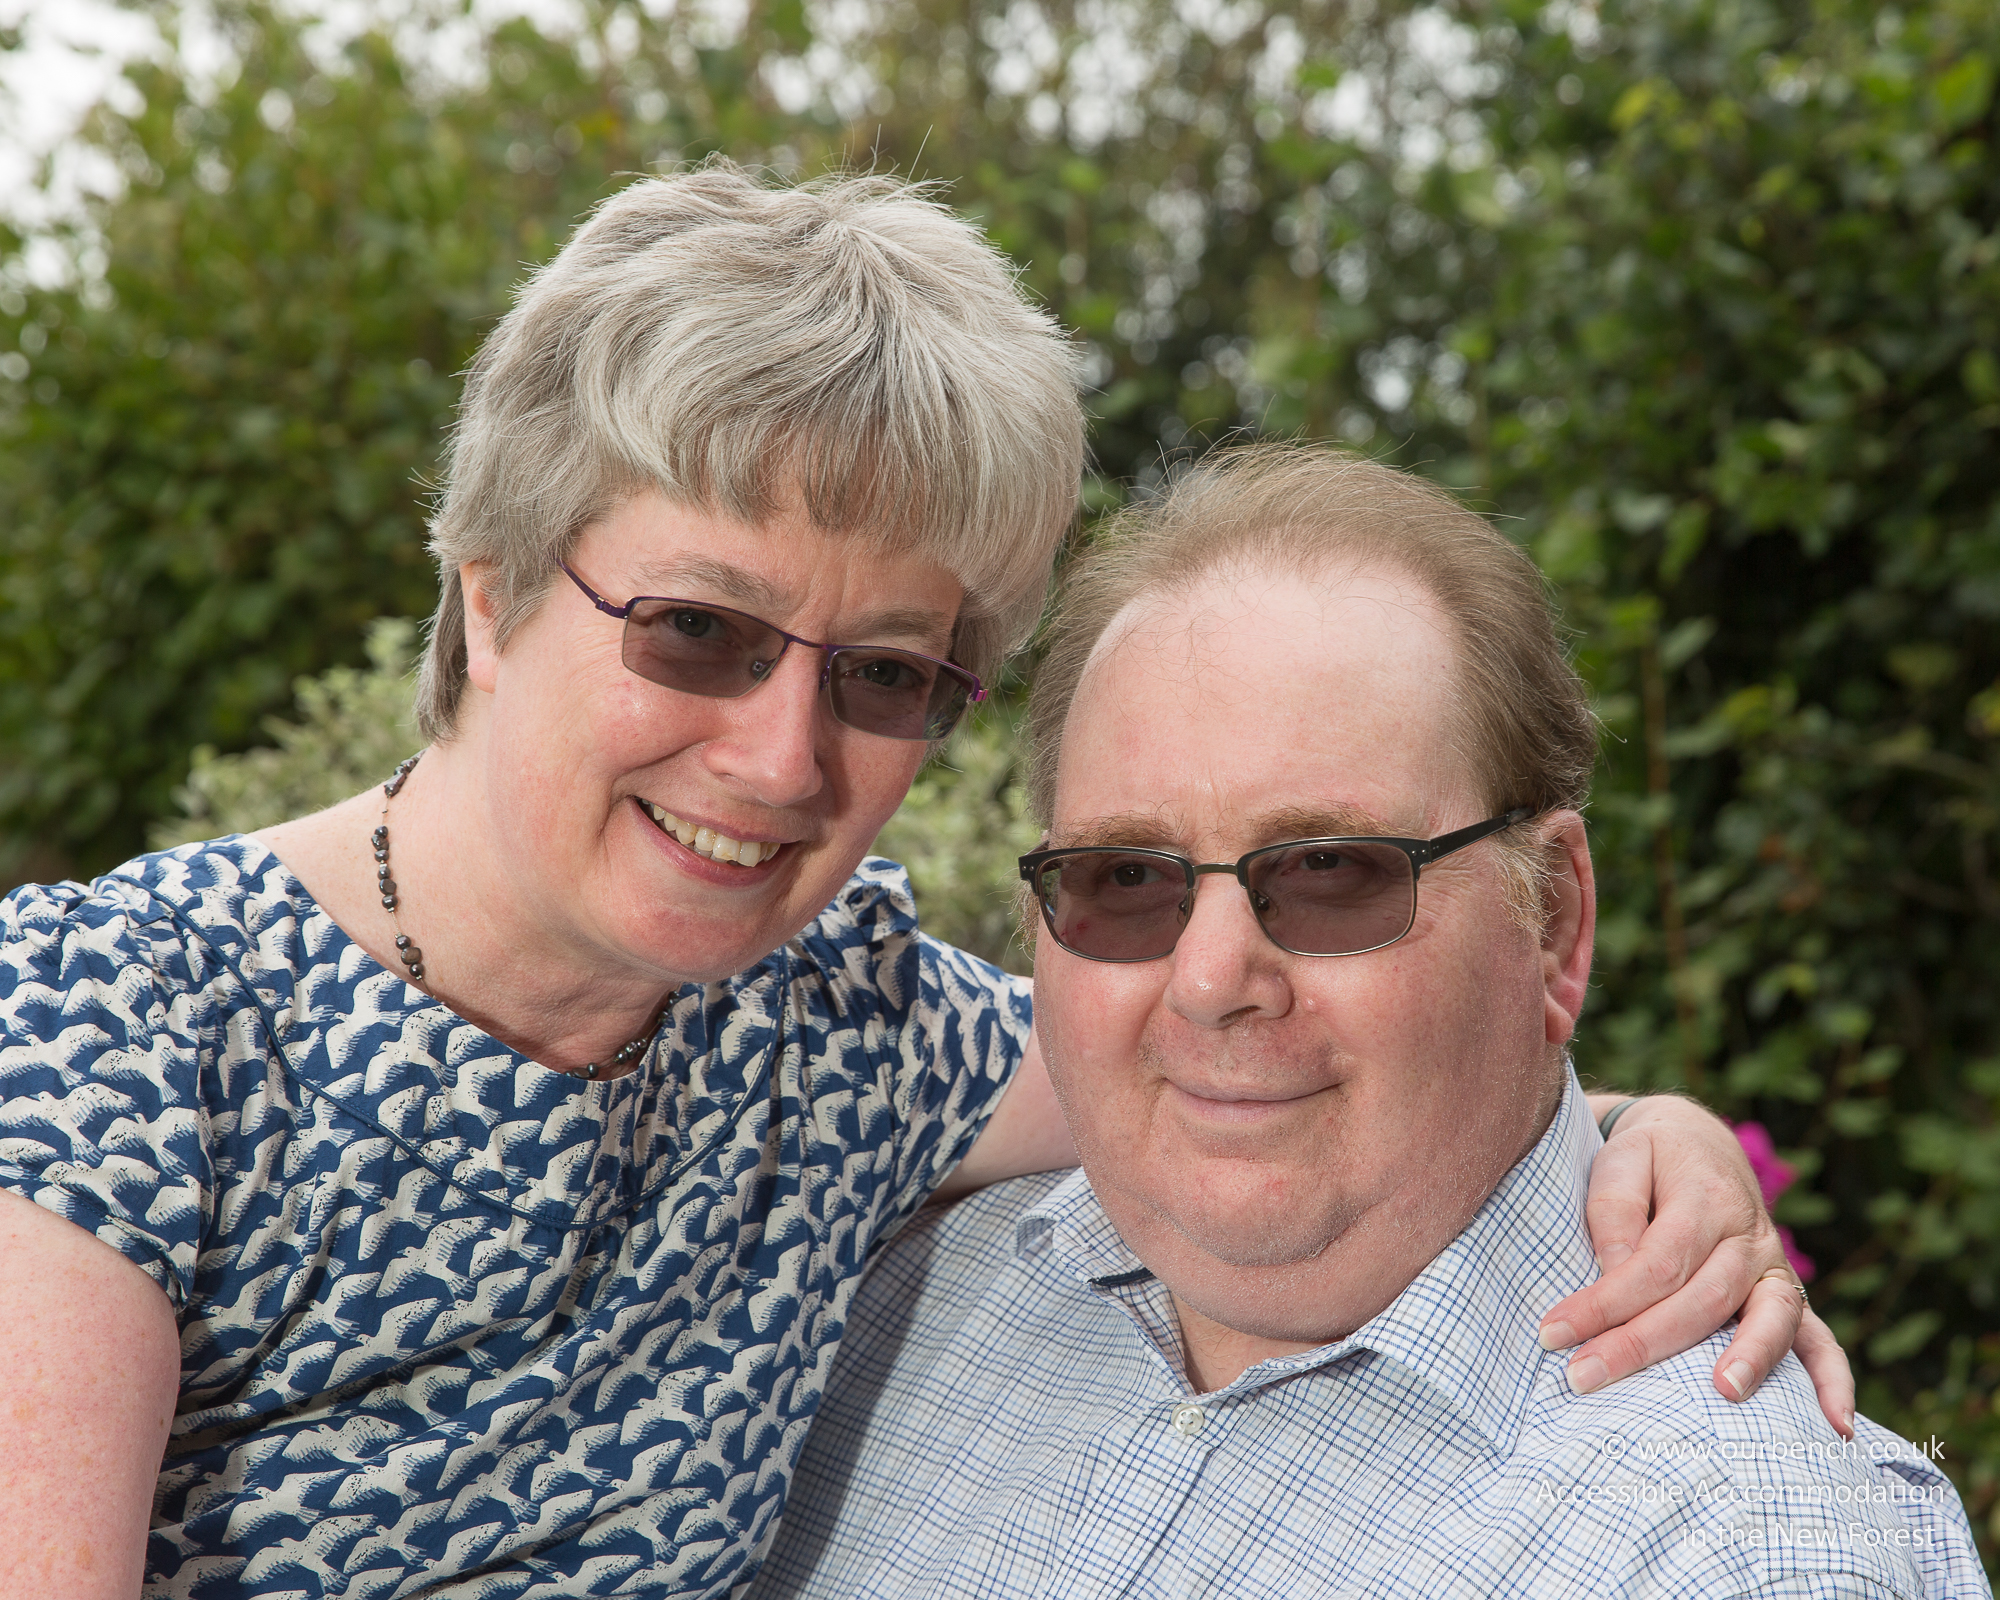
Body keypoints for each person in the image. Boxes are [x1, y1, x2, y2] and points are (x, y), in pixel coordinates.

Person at [0, 171, 1844, 1600]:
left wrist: (1644, 1144)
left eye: (884, 674)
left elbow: (1256, 1057)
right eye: (700, 630)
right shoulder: (114, 1029)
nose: (780, 759)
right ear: (490, 591)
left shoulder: (842, 1036)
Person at [753, 445, 1989, 1600]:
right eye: (1124, 878)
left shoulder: (1741, 1554)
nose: (1209, 979)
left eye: (1330, 872)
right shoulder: (844, 1280)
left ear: (1552, 920)